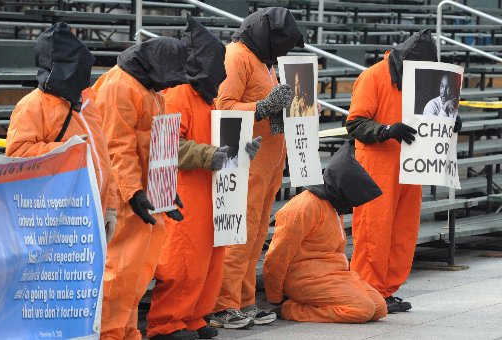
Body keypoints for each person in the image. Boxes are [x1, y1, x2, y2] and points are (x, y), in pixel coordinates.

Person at [145, 17, 261, 340]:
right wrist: (211, 156)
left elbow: (216, 144)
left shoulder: (207, 99)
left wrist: (241, 150)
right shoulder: (178, 95)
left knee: (210, 261)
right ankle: (166, 324)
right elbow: (168, 146)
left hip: (212, 193)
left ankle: (195, 316)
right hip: (185, 193)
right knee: (182, 260)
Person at [345, 29, 462, 314]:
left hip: (411, 168)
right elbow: (355, 123)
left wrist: (451, 124)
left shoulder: (425, 81)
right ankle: (367, 291)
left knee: (403, 233)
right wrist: (386, 130)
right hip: (377, 167)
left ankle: (386, 290)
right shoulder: (373, 76)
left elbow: (434, 116)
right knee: (374, 232)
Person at [210, 7, 304, 328]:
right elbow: (223, 106)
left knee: (255, 234)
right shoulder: (236, 56)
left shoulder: (264, 61)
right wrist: (264, 107)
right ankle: (224, 304)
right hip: (244, 163)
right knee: (238, 232)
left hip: (267, 164)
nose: (285, 51)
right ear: (269, 37)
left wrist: (280, 109)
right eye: (284, 44)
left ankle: (245, 301)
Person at [92, 35, 187, 340]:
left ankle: (126, 332)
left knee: (135, 273)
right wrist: (134, 193)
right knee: (118, 272)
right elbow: (116, 147)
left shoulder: (148, 88)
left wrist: (165, 189)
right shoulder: (119, 87)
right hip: (120, 198)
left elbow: (156, 144)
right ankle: (109, 334)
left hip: (142, 197)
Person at [5, 22, 118, 243]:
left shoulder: (87, 102)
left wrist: (111, 206)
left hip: (90, 213)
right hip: (52, 219)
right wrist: (69, 150)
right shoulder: (32, 106)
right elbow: (17, 154)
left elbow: (103, 158)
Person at [263, 140, 387, 323]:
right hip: (305, 277)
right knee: (362, 309)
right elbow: (278, 255)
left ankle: (305, 305)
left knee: (379, 307)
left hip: (333, 274)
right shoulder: (305, 207)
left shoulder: (332, 204)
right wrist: (275, 297)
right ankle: (292, 310)